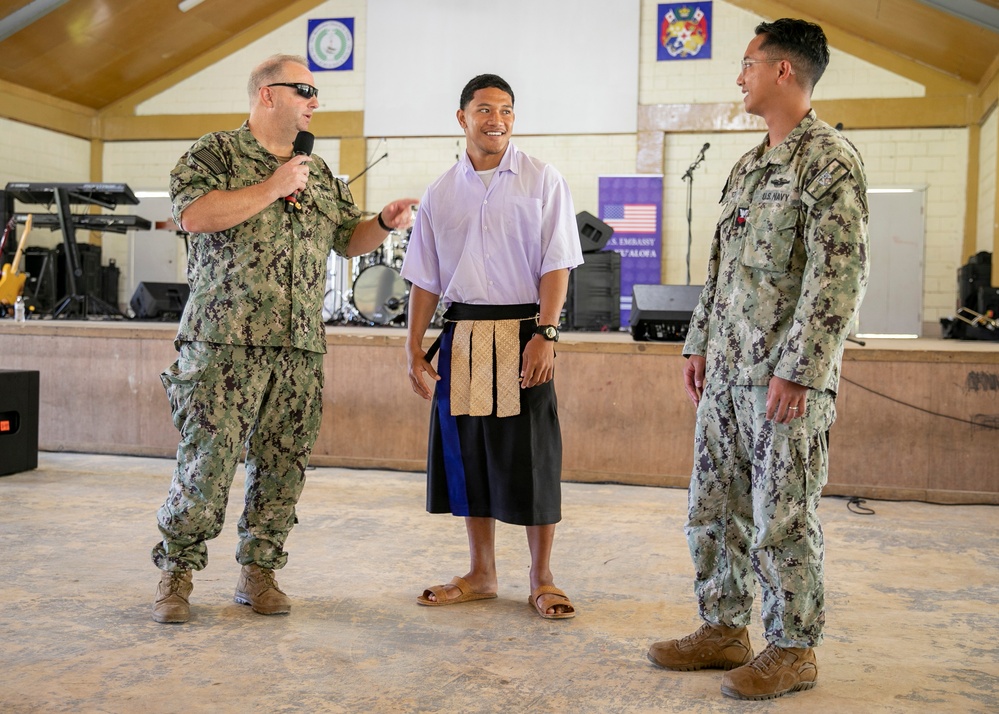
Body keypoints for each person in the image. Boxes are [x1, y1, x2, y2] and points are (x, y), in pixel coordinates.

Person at [151, 54, 417, 624]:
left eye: (315, 91)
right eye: (304, 89)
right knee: (208, 462)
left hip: (299, 346)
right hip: (224, 342)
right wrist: (272, 186)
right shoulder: (214, 153)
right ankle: (176, 574)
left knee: (283, 463)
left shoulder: (316, 172)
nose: (314, 100)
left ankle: (259, 572)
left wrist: (385, 224)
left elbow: (348, 239)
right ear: (267, 95)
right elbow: (194, 216)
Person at [647, 19, 870, 700]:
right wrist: (697, 345)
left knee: (783, 515)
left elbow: (838, 274)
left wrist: (799, 369)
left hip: (782, 380)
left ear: (782, 71)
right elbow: (719, 273)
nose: (737, 76)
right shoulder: (748, 166)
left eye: (746, 64)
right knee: (713, 506)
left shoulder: (828, 160)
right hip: (727, 375)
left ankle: (793, 647)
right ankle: (721, 627)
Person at [401, 74, 583, 619]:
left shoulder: (541, 180)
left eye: (506, 109)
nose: (496, 119)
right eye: (484, 109)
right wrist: (412, 348)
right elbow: (425, 278)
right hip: (464, 335)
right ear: (463, 118)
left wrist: (546, 334)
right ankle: (481, 572)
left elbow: (557, 262)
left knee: (532, 456)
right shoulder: (440, 192)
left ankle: (542, 576)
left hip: (524, 332)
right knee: (470, 456)